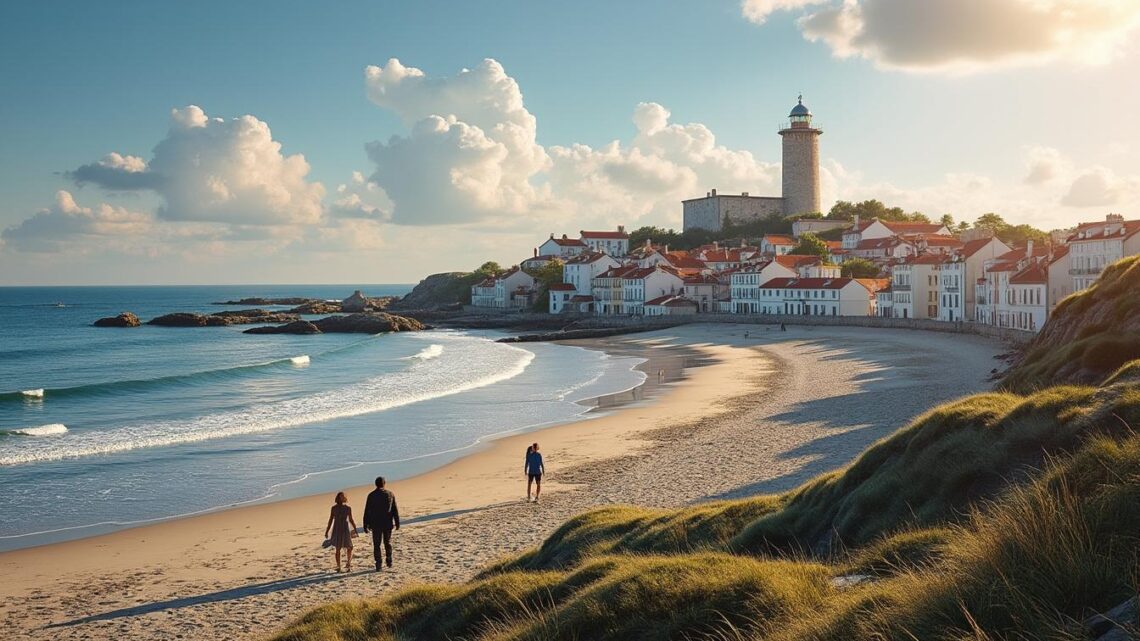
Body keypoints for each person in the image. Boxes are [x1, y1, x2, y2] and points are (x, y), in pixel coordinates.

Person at [362, 476, 400, 571]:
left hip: (375, 524)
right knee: (387, 542)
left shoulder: (371, 495)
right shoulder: (390, 494)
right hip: (387, 523)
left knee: (377, 544)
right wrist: (397, 522)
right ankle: (389, 560)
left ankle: (378, 564)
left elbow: (367, 511)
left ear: (376, 484)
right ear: (384, 483)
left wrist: (365, 524)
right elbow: (395, 510)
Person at [324, 491, 357, 573]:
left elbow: (351, 519)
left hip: (345, 529)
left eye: (343, 496)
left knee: (350, 547)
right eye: (340, 496)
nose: (342, 498)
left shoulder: (348, 508)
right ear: (337, 498)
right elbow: (330, 520)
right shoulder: (334, 508)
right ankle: (339, 566)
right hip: (337, 529)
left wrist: (355, 528)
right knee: (338, 548)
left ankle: (348, 563)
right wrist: (327, 531)